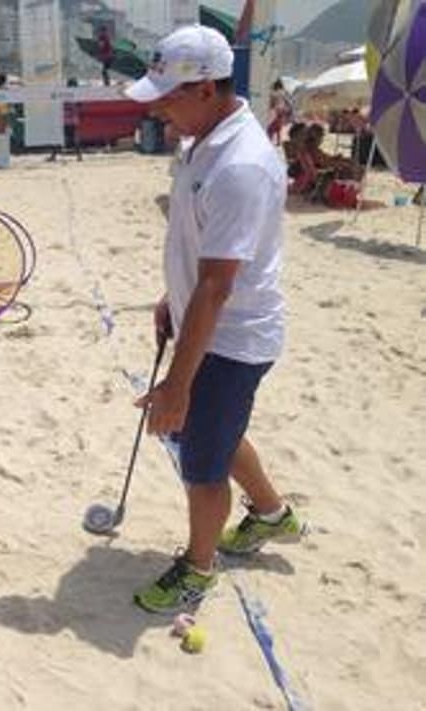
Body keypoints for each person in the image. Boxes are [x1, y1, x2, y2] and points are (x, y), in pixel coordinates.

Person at [123, 25, 303, 613]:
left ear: (206, 89)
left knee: (201, 462)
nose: (157, 107)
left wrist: (177, 385)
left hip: (232, 337)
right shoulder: (202, 139)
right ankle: (273, 515)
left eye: (167, 95)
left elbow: (219, 285)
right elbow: (199, 254)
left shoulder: (240, 164)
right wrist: (170, 298)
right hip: (210, 321)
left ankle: (198, 569)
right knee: (218, 436)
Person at [47, 78, 83, 162]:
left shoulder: (64, 93)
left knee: (58, 138)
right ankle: (79, 156)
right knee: (74, 138)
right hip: (73, 119)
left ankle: (53, 156)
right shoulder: (78, 94)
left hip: (64, 119)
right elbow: (80, 105)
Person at [266, 79, 293, 146]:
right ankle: (278, 141)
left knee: (271, 128)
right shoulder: (284, 92)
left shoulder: (274, 93)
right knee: (278, 126)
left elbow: (271, 103)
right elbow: (288, 101)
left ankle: (270, 140)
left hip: (276, 110)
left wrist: (269, 110)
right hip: (283, 110)